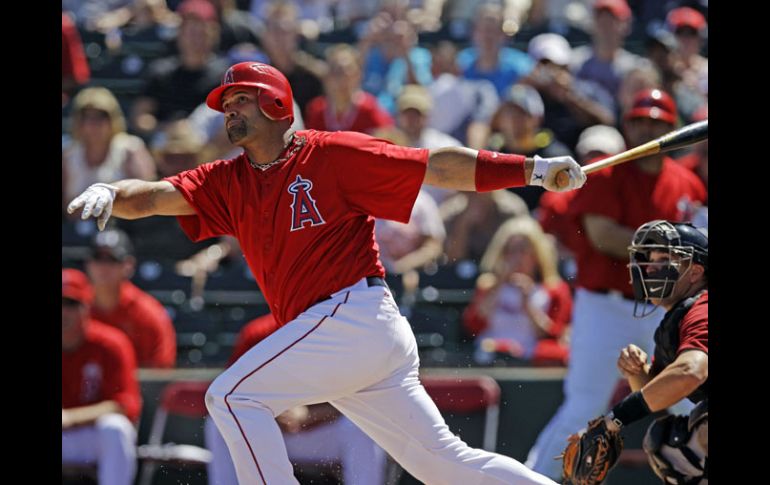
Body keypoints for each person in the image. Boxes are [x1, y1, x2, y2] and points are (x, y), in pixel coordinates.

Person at [68, 60, 585, 485]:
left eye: (240, 99)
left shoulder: (332, 153)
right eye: (225, 105)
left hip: (353, 315)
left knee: (230, 396)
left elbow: (436, 165)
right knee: (443, 466)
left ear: (276, 104)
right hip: (344, 339)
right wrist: (112, 191)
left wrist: (534, 170)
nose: (229, 111)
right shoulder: (226, 180)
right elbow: (155, 197)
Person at [524, 88, 706, 480]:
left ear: (671, 127)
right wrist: (666, 250)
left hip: (668, 309)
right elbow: (602, 235)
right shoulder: (607, 172)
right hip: (605, 305)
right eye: (639, 121)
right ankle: (533, 478)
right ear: (626, 126)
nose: (646, 129)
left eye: (656, 123)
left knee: (690, 404)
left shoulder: (687, 183)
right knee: (584, 405)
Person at [570, 220, 708, 484]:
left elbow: (691, 371)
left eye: (664, 259)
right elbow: (658, 395)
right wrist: (637, 372)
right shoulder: (678, 318)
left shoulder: (703, 309)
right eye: (651, 260)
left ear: (695, 272)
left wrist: (614, 419)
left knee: (698, 430)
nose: (652, 267)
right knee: (664, 440)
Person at [205, 313, 388, 485]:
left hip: (322, 434)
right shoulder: (259, 331)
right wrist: (274, 412)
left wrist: (311, 414)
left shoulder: (336, 331)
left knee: (361, 428)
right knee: (219, 424)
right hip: (270, 432)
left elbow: (363, 395)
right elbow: (231, 396)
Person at [62, 268, 142, 485]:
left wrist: (70, 417)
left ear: (86, 306)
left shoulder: (111, 343)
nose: (63, 312)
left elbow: (124, 405)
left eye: (70, 304)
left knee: (116, 428)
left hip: (89, 435)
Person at [463, 216, 572, 366]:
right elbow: (473, 326)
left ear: (536, 254)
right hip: (490, 356)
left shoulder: (554, 290)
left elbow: (554, 334)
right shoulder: (487, 285)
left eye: (523, 250)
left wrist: (528, 304)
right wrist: (498, 284)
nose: (516, 257)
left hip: (531, 360)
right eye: (510, 251)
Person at [86, 228, 177, 368]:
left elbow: (160, 371)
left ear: (128, 265)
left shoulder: (148, 313)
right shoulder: (74, 306)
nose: (104, 266)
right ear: (88, 263)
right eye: (98, 258)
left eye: (112, 259)